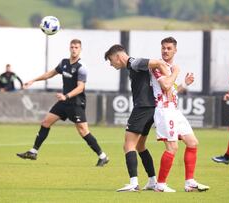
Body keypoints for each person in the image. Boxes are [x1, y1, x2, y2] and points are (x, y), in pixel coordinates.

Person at [16, 39, 109, 167]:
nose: (74, 49)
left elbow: (80, 87)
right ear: (69, 48)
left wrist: (66, 96)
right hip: (63, 102)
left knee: (83, 131)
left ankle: (102, 156)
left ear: (80, 49)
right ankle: (33, 152)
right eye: (72, 47)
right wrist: (33, 80)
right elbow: (50, 74)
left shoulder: (81, 68)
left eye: (76, 47)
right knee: (45, 123)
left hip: (76, 103)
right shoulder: (64, 63)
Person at [105, 44, 174, 192]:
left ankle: (133, 183)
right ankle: (152, 180)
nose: (111, 65)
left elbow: (159, 62)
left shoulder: (135, 63)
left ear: (118, 56)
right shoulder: (133, 65)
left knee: (128, 145)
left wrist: (168, 82)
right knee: (140, 146)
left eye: (111, 61)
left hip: (142, 108)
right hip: (150, 108)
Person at [148, 37, 209, 192]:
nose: (165, 51)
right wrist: (175, 71)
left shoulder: (170, 68)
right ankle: (160, 185)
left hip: (174, 110)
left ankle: (189, 182)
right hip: (163, 110)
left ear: (175, 50)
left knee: (192, 142)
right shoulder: (157, 66)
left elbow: (172, 91)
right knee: (172, 147)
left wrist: (185, 84)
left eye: (169, 48)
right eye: (163, 48)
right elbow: (166, 84)